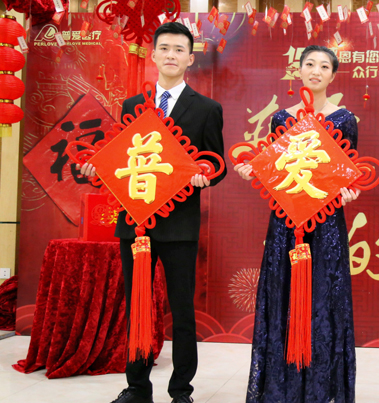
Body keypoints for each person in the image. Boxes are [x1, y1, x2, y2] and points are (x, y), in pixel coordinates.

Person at [79, 22, 227, 403]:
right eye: (165, 48)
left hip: (179, 227)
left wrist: (205, 176)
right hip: (135, 226)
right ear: (154, 55)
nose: (171, 55)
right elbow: (120, 159)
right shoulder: (133, 106)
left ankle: (181, 391)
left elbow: (219, 164)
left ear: (190, 58)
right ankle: (137, 387)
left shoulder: (207, 109)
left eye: (179, 50)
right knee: (138, 307)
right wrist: (98, 168)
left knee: (182, 312)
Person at [233, 45, 359, 403]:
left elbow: (347, 171)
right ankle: (281, 387)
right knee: (283, 294)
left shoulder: (344, 120)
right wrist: (252, 170)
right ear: (298, 70)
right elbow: (275, 169)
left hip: (327, 222)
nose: (316, 71)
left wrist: (349, 191)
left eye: (324, 66)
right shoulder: (281, 119)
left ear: (333, 75)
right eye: (310, 64)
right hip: (286, 222)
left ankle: (322, 388)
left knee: (325, 298)